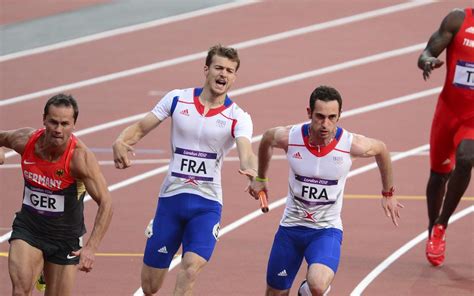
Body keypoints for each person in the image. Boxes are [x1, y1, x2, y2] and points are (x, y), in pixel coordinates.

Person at [112, 44, 257, 295]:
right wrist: (121, 142)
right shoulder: (177, 99)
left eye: (230, 71)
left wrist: (254, 173)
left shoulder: (239, 117)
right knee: (149, 286)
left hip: (207, 205)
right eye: (219, 68)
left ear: (235, 77)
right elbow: (139, 128)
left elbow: (247, 152)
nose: (223, 74)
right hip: (171, 202)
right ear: (206, 69)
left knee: (190, 267)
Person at [247, 85, 403, 296]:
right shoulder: (290, 137)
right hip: (291, 228)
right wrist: (261, 178)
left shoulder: (350, 144)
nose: (325, 124)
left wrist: (388, 193)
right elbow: (266, 139)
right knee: (274, 293)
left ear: (340, 116)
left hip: (326, 231)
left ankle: (306, 292)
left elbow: (382, 149)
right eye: (320, 117)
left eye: (332, 117)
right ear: (309, 113)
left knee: (318, 285)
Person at [0, 94, 113, 295]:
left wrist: (91, 247)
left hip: (65, 238)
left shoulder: (80, 157)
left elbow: (106, 202)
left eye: (64, 124)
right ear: (44, 119)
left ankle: (46, 268)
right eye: (53, 122)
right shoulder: (25, 140)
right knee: (20, 291)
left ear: (74, 124)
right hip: (30, 229)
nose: (58, 129)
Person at [417, 7, 474, 267]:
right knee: (438, 177)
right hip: (448, 114)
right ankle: (433, 228)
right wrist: (427, 59)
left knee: (466, 158)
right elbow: (426, 52)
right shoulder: (458, 20)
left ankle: (441, 226)